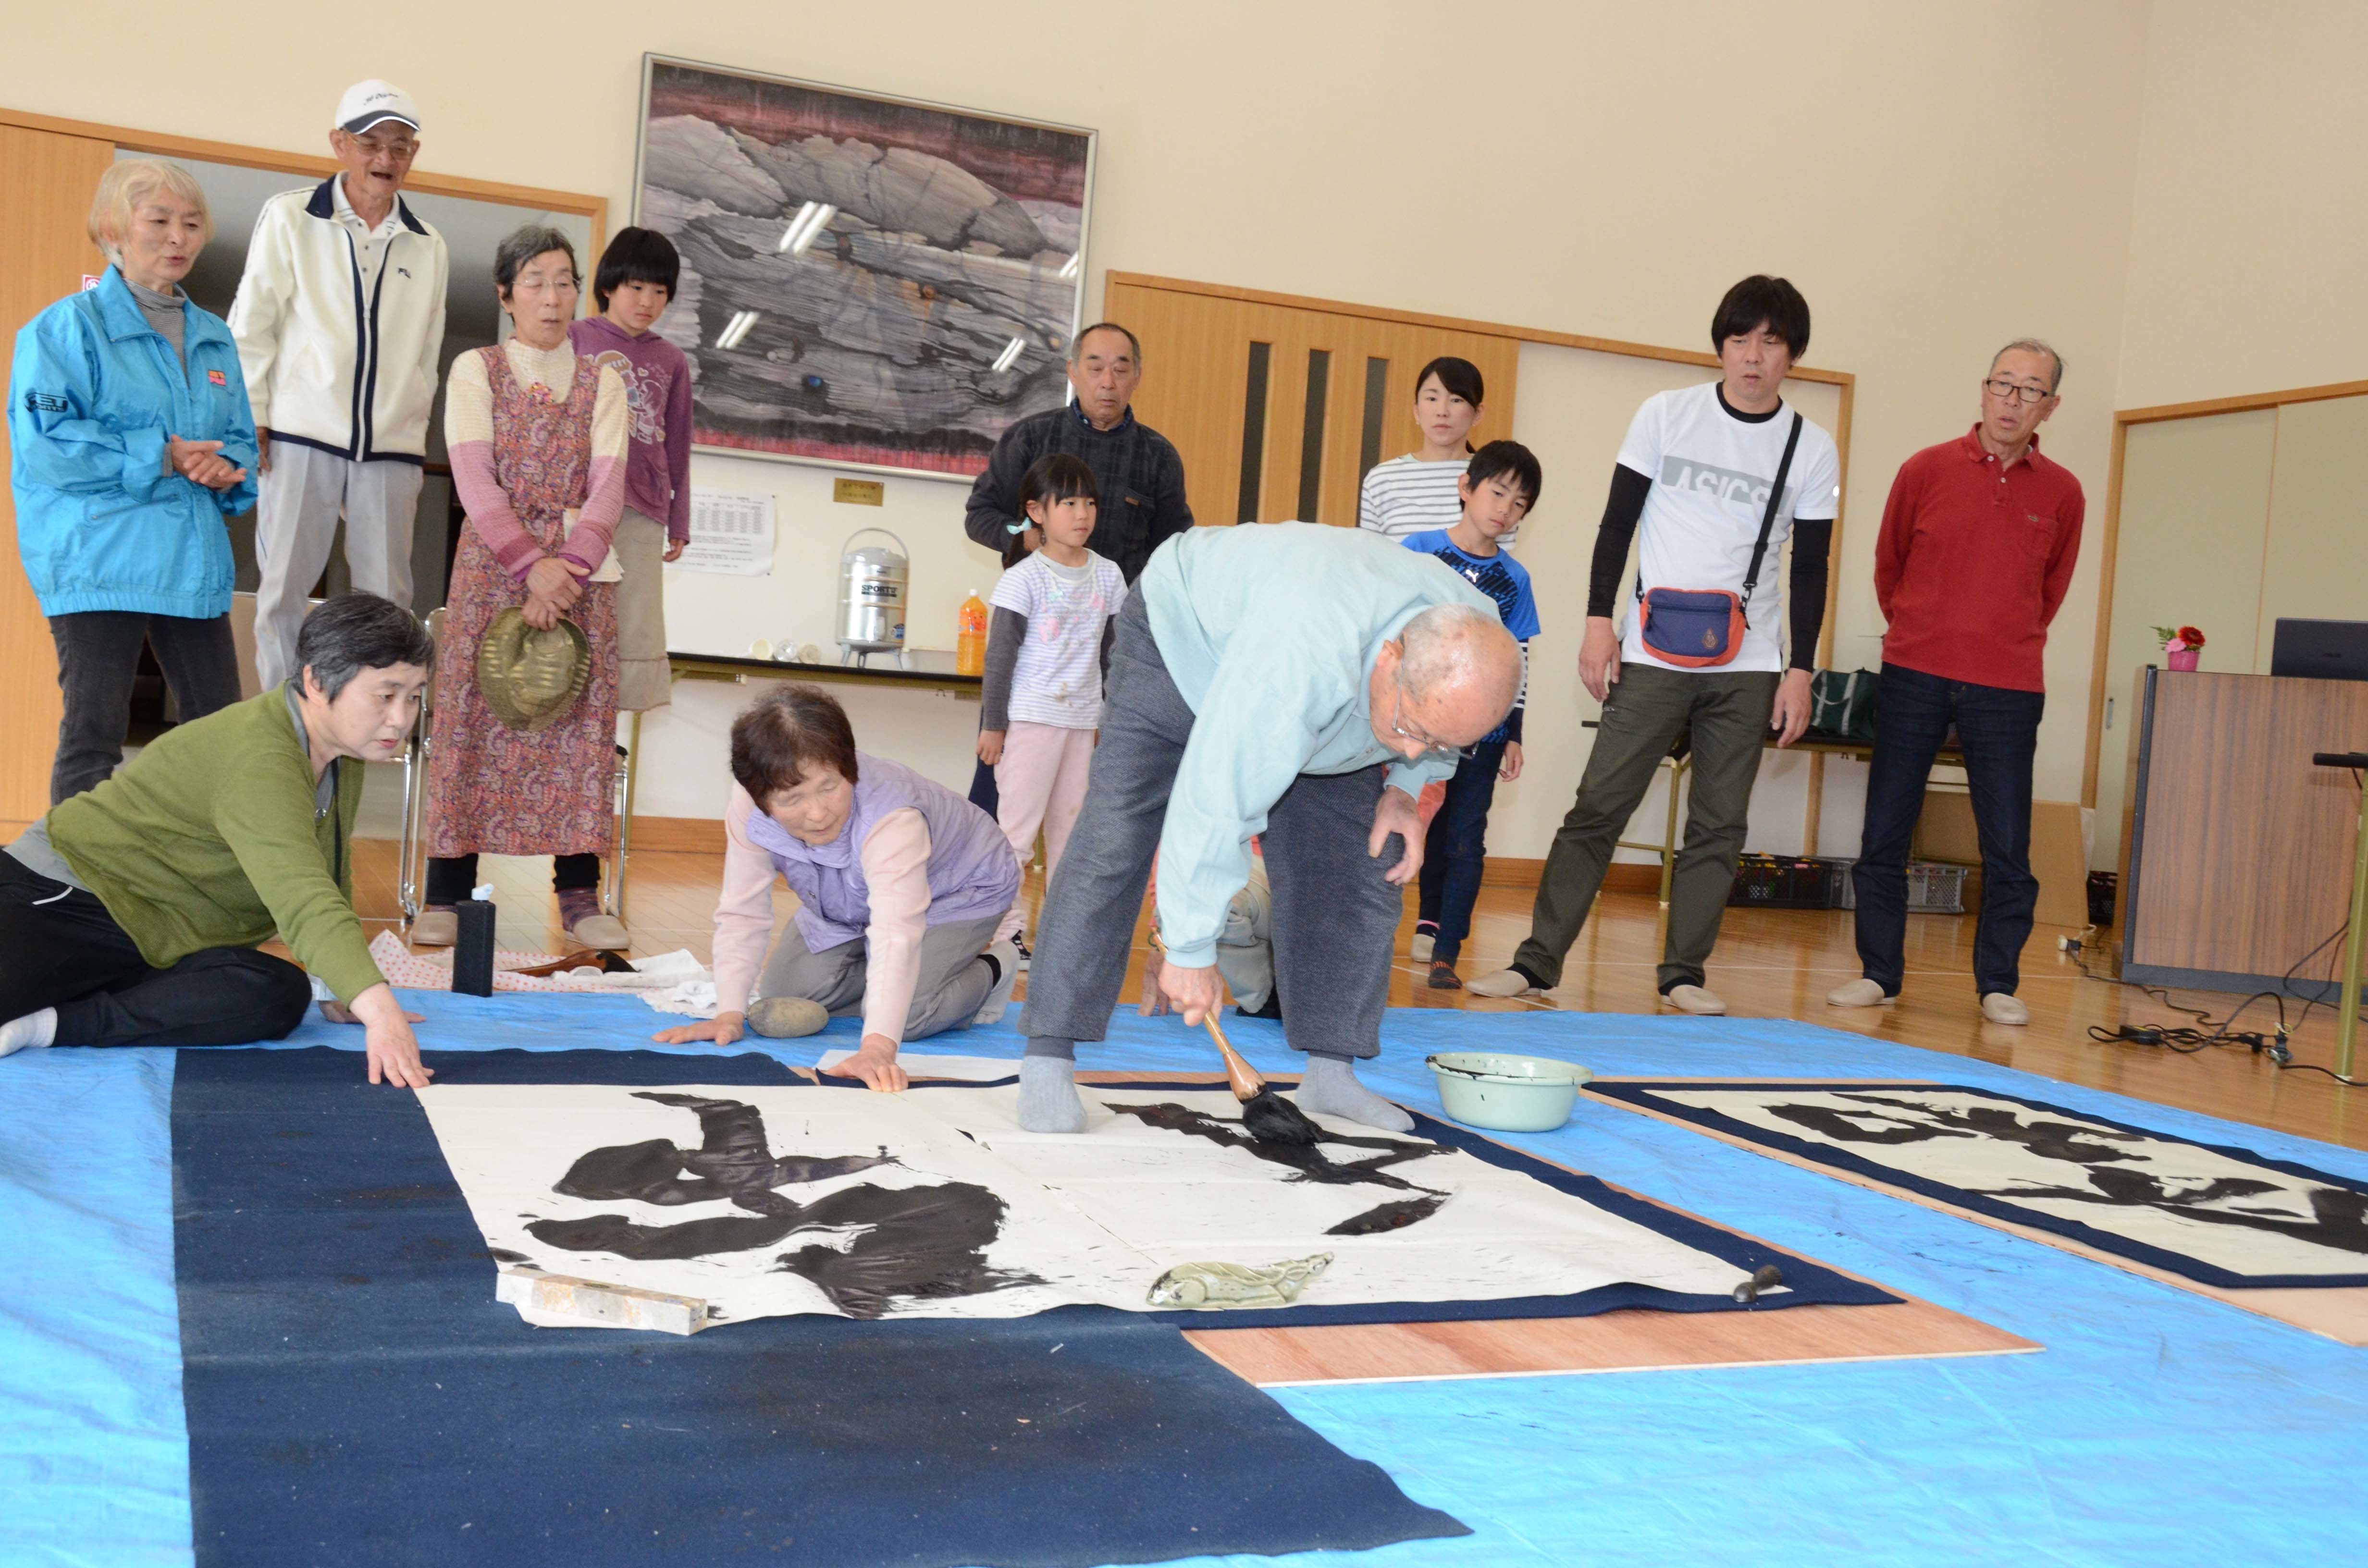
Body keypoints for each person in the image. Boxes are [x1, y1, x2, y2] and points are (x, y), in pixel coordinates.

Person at [1016, 523, 1520, 1136]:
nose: (1418, 750)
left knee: (1365, 861)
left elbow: (1434, 735)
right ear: (1390, 658)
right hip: (1184, 639)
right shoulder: (1302, 656)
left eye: (1437, 742)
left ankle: (1331, 1074)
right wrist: (1190, 949)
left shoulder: (1476, 630)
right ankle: (1047, 1057)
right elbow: (1216, 797)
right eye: (1412, 731)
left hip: (1330, 697)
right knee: (1117, 832)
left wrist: (1403, 791)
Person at [1470, 275, 1841, 1013]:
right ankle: (1537, 964)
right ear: (1721, 345)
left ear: (1792, 355)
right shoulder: (1666, 415)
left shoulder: (1812, 447)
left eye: (1770, 342)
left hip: (1751, 661)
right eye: (1740, 340)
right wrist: (1598, 620)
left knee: (1719, 822)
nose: (1752, 356)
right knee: (1598, 805)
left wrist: (1801, 669)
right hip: (1650, 650)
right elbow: (1617, 526)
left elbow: (1812, 565)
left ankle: (1684, 975)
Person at [0, 593, 436, 1087]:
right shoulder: (259, 753)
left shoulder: (341, 752)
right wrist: (382, 1014)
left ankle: (49, 1025)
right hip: (62, 899)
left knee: (276, 993)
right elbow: (301, 896)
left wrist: (344, 984)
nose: (402, 719)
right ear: (316, 682)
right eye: (385, 695)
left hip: (158, 940)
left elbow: (328, 871)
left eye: (415, 696)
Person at [1829, 341, 2084, 1027]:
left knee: (2007, 843)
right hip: (1915, 671)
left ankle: (1998, 982)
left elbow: (2050, 588)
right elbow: (1891, 567)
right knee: (1885, 831)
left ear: (2051, 407)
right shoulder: (1925, 469)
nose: (2013, 400)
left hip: (2008, 686)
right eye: (2004, 384)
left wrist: (2001, 641)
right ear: (1983, 391)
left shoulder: (2064, 493)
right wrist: (1923, 630)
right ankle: (1879, 974)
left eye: (2031, 390)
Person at [9, 159, 256, 806]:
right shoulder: (63, 329)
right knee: (94, 735)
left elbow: (239, 444)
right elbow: (48, 447)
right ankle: (71, 886)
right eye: (160, 221)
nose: (179, 237)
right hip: (98, 555)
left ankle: (204, 885)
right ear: (114, 230)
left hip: (191, 560)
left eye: (192, 224)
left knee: (220, 733)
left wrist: (223, 468)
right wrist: (164, 455)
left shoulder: (215, 337)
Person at [413, 227, 630, 952]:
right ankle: (447, 888)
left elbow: (608, 489)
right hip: (493, 571)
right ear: (505, 294)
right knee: (471, 719)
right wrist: (528, 565)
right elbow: (473, 480)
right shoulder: (476, 368)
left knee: (579, 727)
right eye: (535, 280)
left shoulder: (606, 377)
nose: (552, 294)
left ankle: (578, 893)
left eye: (565, 280)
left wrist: (564, 571)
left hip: (580, 576)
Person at [654, 686, 1022, 1092]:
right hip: (848, 899)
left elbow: (896, 932)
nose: (817, 813)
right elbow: (744, 911)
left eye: (829, 787)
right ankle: (898, 982)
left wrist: (879, 1047)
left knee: (911, 1018)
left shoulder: (892, 816)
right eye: (792, 799)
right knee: (784, 995)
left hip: (959, 889)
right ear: (761, 798)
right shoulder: (748, 805)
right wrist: (728, 1013)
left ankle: (994, 967)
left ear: (849, 768)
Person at [231, 79, 449, 692]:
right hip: (301, 437)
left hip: (390, 451)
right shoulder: (291, 217)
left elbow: (427, 353)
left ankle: (364, 725)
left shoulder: (428, 244)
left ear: (413, 154)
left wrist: (408, 428)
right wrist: (251, 415)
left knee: (389, 605)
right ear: (339, 144)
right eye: (370, 142)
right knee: (282, 593)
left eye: (400, 146)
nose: (385, 160)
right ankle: (282, 722)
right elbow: (253, 324)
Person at [959, 322, 1193, 816]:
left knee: (1092, 799)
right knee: (999, 793)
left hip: (1113, 650)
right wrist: (1029, 537)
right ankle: (980, 888)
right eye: (1094, 366)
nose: (1107, 380)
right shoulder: (1030, 438)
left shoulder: (1158, 457)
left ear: (1137, 377)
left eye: (1120, 367)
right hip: (1032, 652)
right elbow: (979, 515)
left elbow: (1176, 551)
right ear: (1072, 371)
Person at [1402, 441, 1543, 989]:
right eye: (1497, 492)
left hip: (1483, 733)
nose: (1504, 509)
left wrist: (1514, 731)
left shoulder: (1516, 580)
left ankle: (1446, 949)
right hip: (1416, 727)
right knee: (1409, 825)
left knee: (1464, 836)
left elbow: (1519, 659)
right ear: (1467, 488)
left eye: (1519, 503)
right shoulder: (1418, 551)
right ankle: (1410, 921)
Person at [977, 454, 1128, 954]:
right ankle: (1003, 934)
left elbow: (1114, 656)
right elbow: (999, 659)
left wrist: (1112, 721)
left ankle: (1065, 937)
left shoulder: (1108, 576)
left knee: (1073, 834)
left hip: (1082, 723)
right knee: (1015, 835)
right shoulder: (1023, 579)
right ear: (1036, 513)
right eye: (1067, 503)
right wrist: (993, 725)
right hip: (1031, 720)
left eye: (1089, 503)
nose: (1081, 513)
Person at [569, 226, 693, 712]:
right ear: (608, 286)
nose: (647, 301)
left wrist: (679, 520)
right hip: (578, 504)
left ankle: (608, 735)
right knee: (574, 615)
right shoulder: (575, 338)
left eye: (659, 292)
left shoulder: (671, 360)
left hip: (642, 507)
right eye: (636, 287)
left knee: (634, 620)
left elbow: (679, 444)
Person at [1357, 356, 1519, 550]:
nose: (1442, 411)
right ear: (1417, 411)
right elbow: (1369, 560)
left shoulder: (1496, 479)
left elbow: (1501, 564)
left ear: (1478, 414)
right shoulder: (1381, 479)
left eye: (1456, 400)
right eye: (1432, 398)